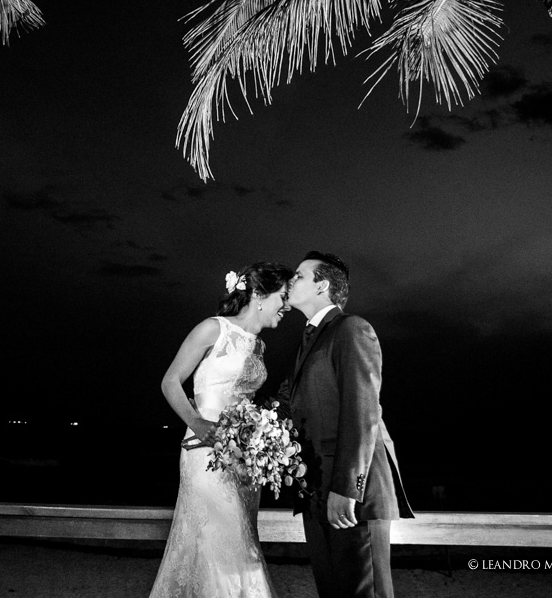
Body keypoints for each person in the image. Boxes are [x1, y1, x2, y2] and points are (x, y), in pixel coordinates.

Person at [148, 262, 294, 598]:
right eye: (283, 297)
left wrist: (261, 435)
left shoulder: (258, 346)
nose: (286, 306)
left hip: (244, 457)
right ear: (259, 295)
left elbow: (245, 402)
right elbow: (170, 381)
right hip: (204, 451)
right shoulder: (212, 329)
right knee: (221, 541)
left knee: (243, 539)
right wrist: (197, 423)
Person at [276, 251, 413, 598]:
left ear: (322, 285)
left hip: (352, 495)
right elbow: (283, 404)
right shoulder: (308, 340)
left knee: (364, 593)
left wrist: (348, 489)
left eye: (300, 275)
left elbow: (363, 413)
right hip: (316, 490)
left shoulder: (352, 329)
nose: (290, 281)